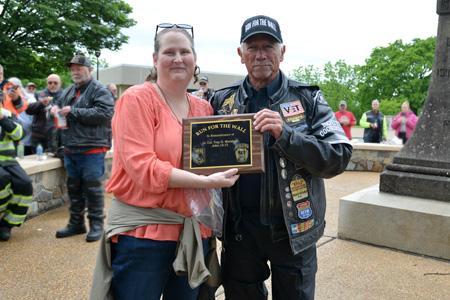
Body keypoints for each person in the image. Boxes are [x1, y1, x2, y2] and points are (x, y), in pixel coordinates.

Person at [90, 24, 239, 300]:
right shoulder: (137, 99)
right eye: (169, 52)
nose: (178, 58)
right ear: (155, 59)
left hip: (193, 232)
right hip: (144, 236)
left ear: (195, 60)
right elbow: (143, 168)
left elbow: (216, 154)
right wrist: (205, 182)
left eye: (185, 51)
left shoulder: (203, 108)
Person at [210, 15, 352, 300]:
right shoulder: (221, 101)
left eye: (268, 46)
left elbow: (339, 155)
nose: (261, 54)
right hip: (240, 233)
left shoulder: (308, 99)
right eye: (252, 47)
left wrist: (286, 135)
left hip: (294, 233)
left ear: (282, 52)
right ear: (241, 55)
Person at [51, 52, 114, 242]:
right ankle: (76, 223)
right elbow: (59, 107)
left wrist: (74, 111)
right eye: (73, 69)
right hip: (71, 148)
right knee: (74, 187)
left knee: (93, 188)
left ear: (88, 69)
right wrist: (53, 109)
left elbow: (105, 113)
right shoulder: (69, 91)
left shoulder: (99, 90)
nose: (75, 72)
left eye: (79, 68)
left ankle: (96, 225)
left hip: (92, 148)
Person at [0, 91, 33, 241]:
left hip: (8, 160)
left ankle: (7, 224)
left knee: (25, 183)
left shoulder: (7, 114)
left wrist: (3, 120)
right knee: (2, 179)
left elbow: (19, 134)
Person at [26, 74, 63, 153]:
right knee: (37, 162)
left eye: (55, 83)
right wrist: (41, 103)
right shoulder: (38, 94)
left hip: (58, 137)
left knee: (56, 163)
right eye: (50, 83)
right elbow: (28, 110)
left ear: (60, 83)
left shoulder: (65, 95)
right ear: (47, 83)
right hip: (39, 136)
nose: (52, 85)